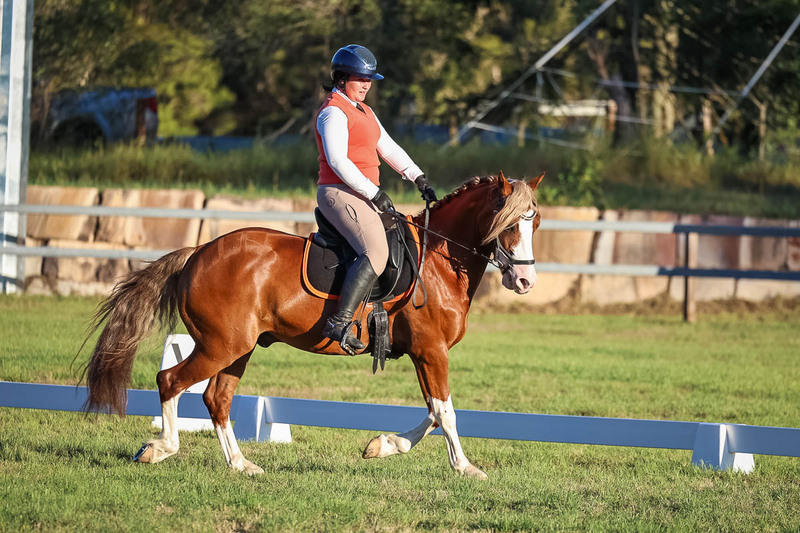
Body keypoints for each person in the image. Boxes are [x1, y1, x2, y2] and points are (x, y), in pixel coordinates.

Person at [315, 44, 437, 355]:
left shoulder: (365, 111)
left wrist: (418, 177)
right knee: (376, 252)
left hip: (361, 194)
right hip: (339, 192)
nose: (366, 85)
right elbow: (338, 161)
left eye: (369, 80)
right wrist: (375, 193)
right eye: (360, 79)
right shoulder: (333, 112)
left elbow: (389, 147)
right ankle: (339, 323)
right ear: (342, 79)